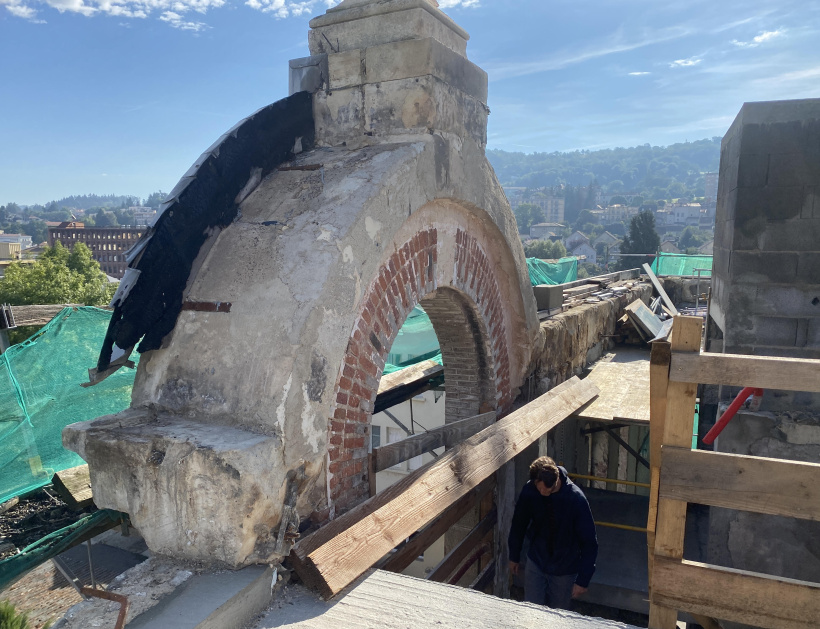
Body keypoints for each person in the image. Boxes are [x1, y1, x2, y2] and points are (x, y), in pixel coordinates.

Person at [508, 456, 598, 610]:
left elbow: (589, 541)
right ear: (535, 481)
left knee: (557, 617)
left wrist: (583, 579)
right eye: (540, 488)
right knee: (530, 612)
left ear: (557, 481)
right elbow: (519, 524)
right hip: (536, 561)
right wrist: (514, 556)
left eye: (548, 490)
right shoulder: (530, 490)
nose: (543, 493)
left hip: (564, 569)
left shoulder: (576, 499)